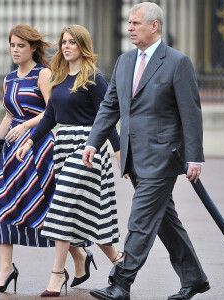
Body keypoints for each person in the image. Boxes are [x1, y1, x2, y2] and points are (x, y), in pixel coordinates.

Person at [83, 2, 210, 300]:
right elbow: (110, 106)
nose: (129, 28)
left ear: (154, 26)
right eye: (128, 23)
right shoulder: (124, 61)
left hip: (164, 158)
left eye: (136, 23)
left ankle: (121, 283)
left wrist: (194, 157)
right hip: (133, 156)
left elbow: (191, 113)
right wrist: (92, 142)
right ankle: (194, 278)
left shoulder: (178, 62)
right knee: (165, 220)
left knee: (140, 220)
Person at [16, 24, 123, 297]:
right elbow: (50, 118)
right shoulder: (59, 78)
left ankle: (56, 274)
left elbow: (107, 118)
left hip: (89, 148)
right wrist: (29, 142)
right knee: (81, 214)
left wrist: (121, 153)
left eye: (72, 42)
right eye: (64, 42)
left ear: (82, 46)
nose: (66, 46)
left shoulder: (94, 79)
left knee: (61, 206)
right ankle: (119, 261)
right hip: (63, 147)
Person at [0, 24, 57, 293]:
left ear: (34, 48)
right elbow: (8, 115)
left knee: (48, 207)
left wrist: (26, 127)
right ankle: (6, 269)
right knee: (0, 204)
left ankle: (79, 255)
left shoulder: (44, 74)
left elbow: (53, 113)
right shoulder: (9, 79)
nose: (15, 50)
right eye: (12, 45)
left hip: (38, 148)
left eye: (21, 46)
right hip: (11, 153)